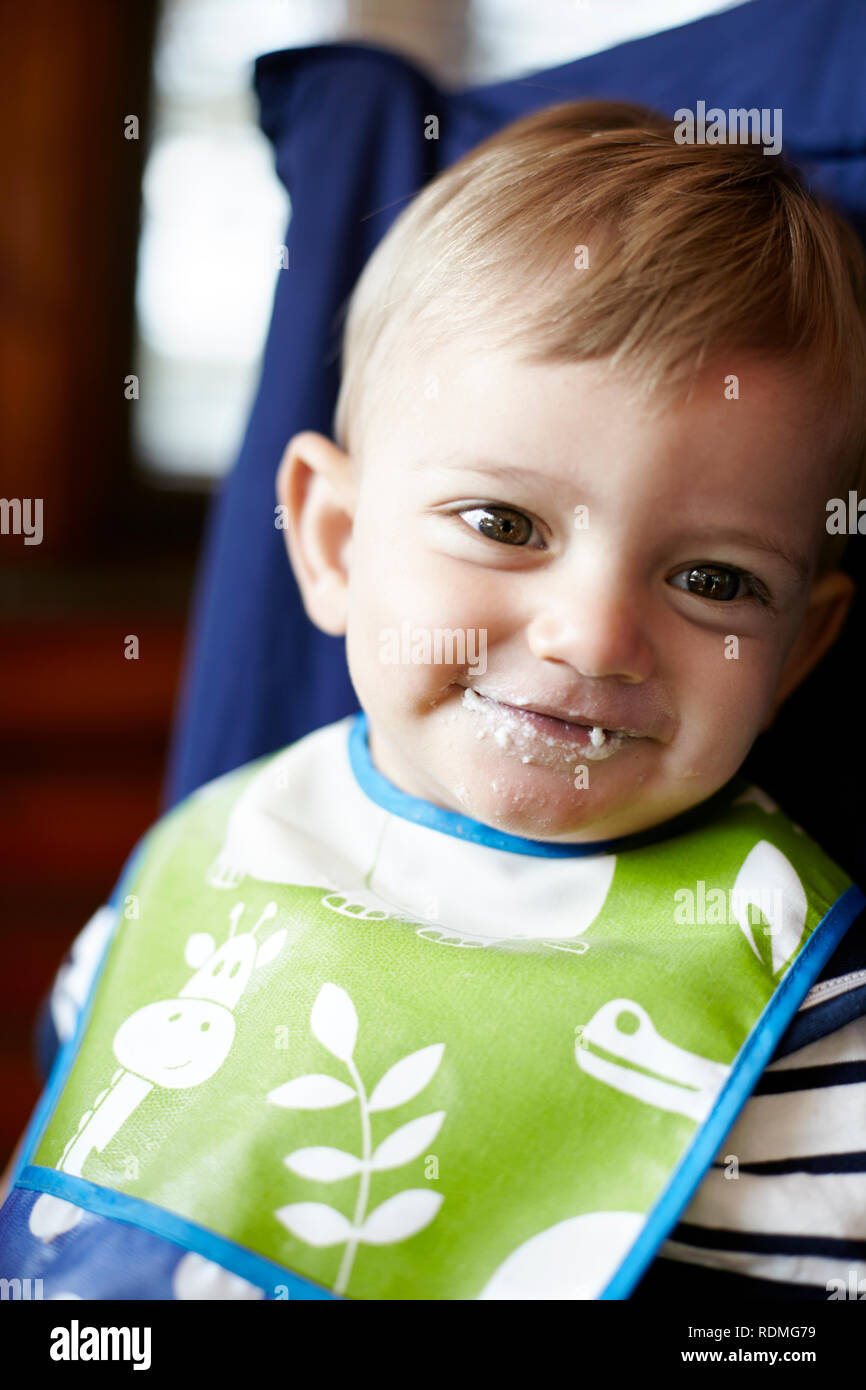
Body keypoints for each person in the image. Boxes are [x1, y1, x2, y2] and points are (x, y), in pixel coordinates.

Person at [1, 100, 865, 1301]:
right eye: (502, 524)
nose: (591, 635)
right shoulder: (210, 853)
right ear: (335, 541)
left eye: (712, 580)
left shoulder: (799, 1001)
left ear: (797, 649)